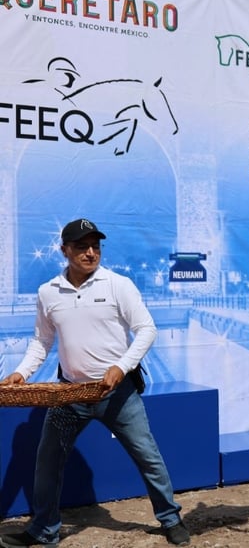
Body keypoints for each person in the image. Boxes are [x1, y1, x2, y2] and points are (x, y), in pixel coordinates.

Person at [0, 219, 190, 547]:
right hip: (70, 395)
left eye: (95, 246)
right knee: (48, 462)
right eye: (81, 247)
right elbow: (41, 342)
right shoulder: (48, 292)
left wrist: (122, 366)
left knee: (147, 456)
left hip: (118, 394)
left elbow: (146, 329)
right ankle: (44, 531)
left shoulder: (118, 285)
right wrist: (22, 372)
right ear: (64, 250)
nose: (90, 253)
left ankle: (171, 518)